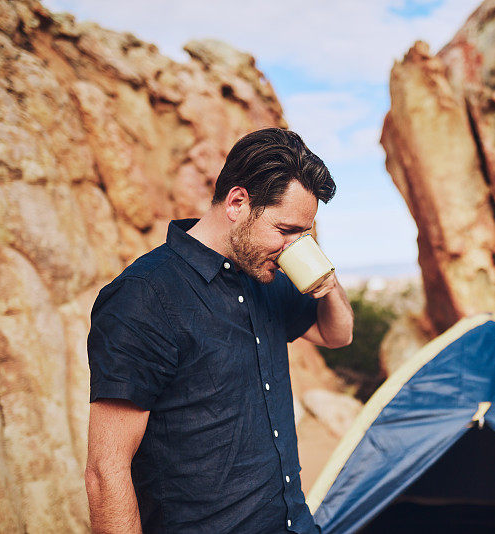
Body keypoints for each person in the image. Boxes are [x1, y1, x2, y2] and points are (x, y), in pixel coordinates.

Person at [84, 128, 354, 533]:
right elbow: (106, 473)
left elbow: (338, 335)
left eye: (305, 234)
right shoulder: (142, 297)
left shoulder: (269, 275)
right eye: (286, 231)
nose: (295, 247)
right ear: (238, 202)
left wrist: (326, 280)